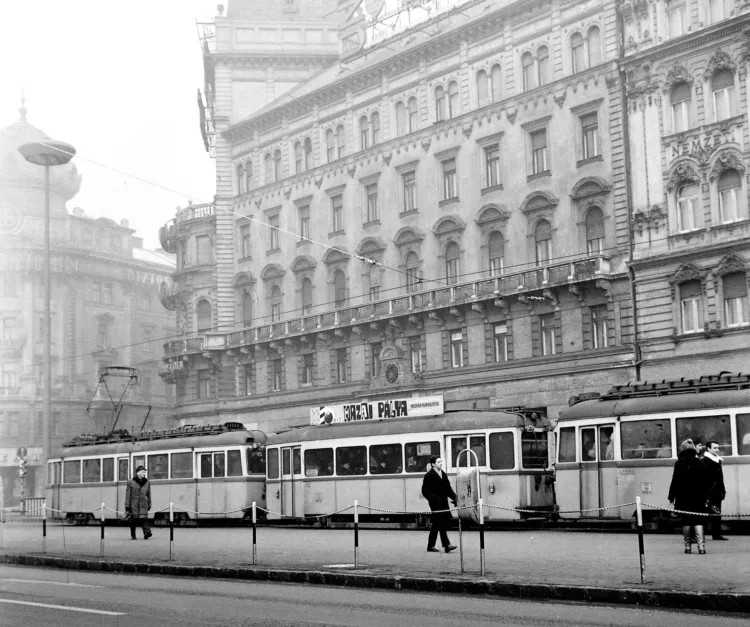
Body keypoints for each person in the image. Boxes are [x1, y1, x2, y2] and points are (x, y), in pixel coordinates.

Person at [668, 439, 708, 554]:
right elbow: (705, 481)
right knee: (698, 520)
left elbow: (675, 480)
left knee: (686, 521)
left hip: (683, 496)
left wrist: (671, 496)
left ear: (682, 449)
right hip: (698, 496)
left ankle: (688, 547)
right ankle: (701, 547)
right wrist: (706, 496)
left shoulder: (679, 463)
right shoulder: (699, 462)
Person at [421, 456, 457, 553]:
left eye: (441, 462)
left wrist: (455, 497)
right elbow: (425, 491)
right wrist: (433, 499)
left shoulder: (443, 474)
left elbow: (448, 488)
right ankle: (446, 545)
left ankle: (430, 546)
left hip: (443, 502)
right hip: (435, 503)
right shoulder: (429, 475)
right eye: (438, 462)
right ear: (433, 464)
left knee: (437, 524)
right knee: (440, 522)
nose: (441, 463)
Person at [703, 440, 728, 541]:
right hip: (710, 491)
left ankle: (716, 534)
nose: (717, 450)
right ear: (708, 449)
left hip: (717, 491)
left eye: (718, 448)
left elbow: (720, 478)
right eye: (715, 448)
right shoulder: (705, 460)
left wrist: (722, 490)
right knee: (708, 513)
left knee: (716, 513)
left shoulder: (716, 460)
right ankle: (707, 534)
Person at [125, 465, 152, 540]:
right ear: (138, 473)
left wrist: (149, 504)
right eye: (143, 472)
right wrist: (127, 506)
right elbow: (128, 495)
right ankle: (133, 535)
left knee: (144, 519)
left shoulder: (147, 482)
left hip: (143, 504)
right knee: (133, 521)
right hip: (134, 505)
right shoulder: (131, 482)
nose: (144, 473)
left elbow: (149, 494)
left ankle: (147, 533)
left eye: (144, 472)